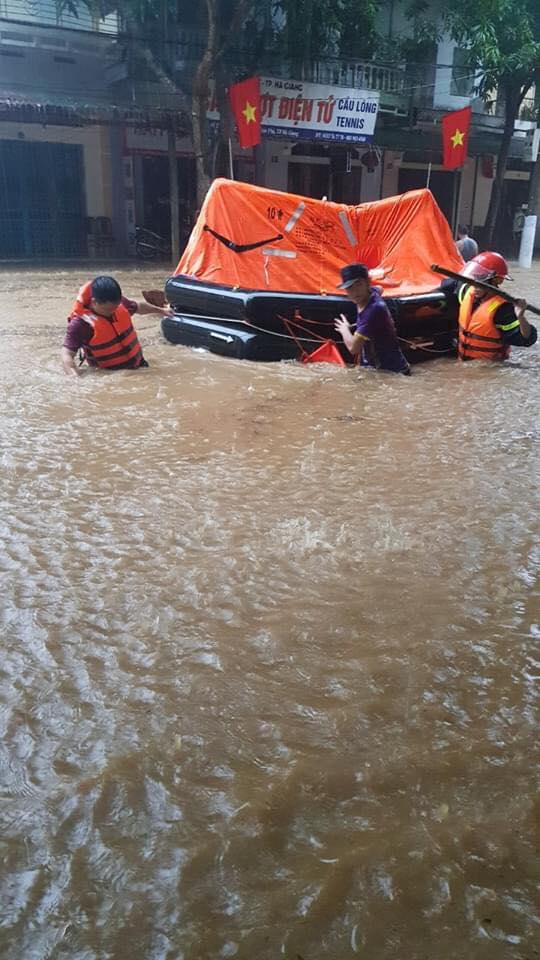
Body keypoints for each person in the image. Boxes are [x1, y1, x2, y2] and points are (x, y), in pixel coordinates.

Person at [61, 276, 171, 377]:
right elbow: (67, 354)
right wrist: (74, 376)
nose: (113, 312)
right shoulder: (81, 324)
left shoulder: (119, 304)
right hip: (110, 376)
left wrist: (162, 311)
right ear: (94, 302)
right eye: (108, 309)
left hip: (140, 366)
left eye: (115, 308)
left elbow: (138, 307)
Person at [457, 251, 537, 361]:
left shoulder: (503, 310)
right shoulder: (467, 291)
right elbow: (451, 284)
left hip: (488, 367)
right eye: (474, 278)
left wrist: (521, 317)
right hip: (463, 360)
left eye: (480, 281)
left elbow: (526, 340)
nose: (474, 286)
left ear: (495, 281)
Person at [334, 262, 411, 375]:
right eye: (350, 287)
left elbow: (353, 348)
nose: (355, 292)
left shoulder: (373, 310)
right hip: (379, 368)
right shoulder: (371, 292)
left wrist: (344, 329)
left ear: (368, 282)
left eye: (358, 284)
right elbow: (380, 288)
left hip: (392, 372)